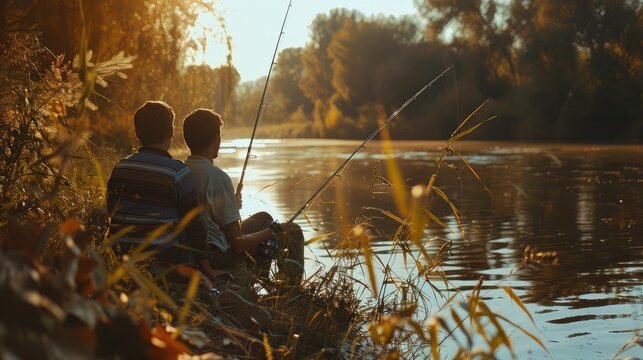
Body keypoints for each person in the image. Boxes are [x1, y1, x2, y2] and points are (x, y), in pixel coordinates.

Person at [182, 108, 304, 296]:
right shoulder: (217, 177)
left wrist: (231, 203)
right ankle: (291, 291)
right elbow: (237, 243)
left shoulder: (182, 171)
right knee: (291, 230)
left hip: (199, 247)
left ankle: (259, 279)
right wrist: (269, 232)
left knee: (263, 217)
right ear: (216, 138)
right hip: (218, 254)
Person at [106, 101, 219, 280]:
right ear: (171, 132)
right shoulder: (178, 172)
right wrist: (207, 268)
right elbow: (194, 226)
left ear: (137, 134)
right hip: (166, 262)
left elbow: (112, 211)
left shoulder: (120, 167)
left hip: (124, 259)